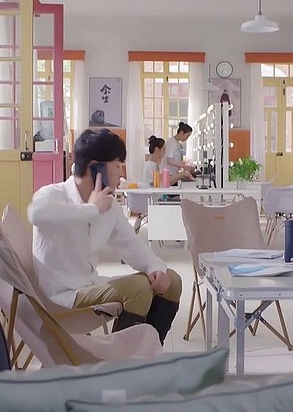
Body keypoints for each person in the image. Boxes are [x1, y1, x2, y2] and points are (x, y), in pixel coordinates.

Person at [28, 129, 183, 344]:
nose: (121, 174)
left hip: (91, 285)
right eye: (117, 165)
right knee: (139, 289)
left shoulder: (109, 206)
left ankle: (148, 354)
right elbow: (36, 214)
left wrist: (154, 267)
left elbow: (131, 245)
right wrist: (91, 209)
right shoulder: (53, 194)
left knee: (171, 280)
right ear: (96, 167)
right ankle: (122, 359)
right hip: (61, 295)